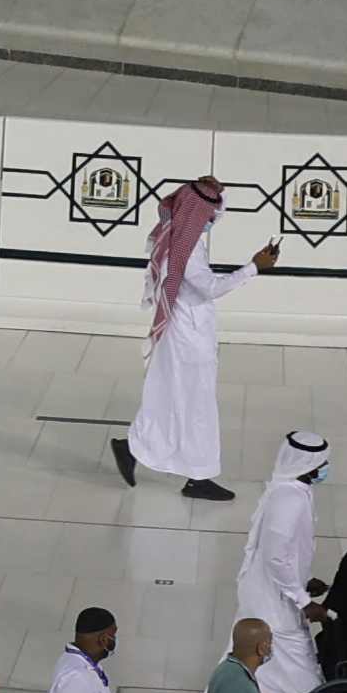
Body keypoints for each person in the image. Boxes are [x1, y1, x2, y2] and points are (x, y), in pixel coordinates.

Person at [119, 182, 268, 496]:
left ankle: (137, 451)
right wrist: (254, 267)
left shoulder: (176, 235)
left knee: (174, 400)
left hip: (181, 331)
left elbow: (209, 207)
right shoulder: (187, 249)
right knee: (196, 406)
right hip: (189, 336)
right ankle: (195, 476)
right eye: (209, 215)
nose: (213, 219)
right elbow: (210, 288)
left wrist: (211, 189)